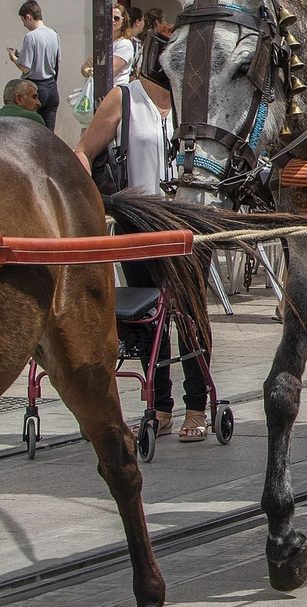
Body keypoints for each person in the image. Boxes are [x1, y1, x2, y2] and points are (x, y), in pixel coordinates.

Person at [73, 60, 209, 442]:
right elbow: (83, 151)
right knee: (149, 317)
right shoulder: (124, 98)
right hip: (139, 224)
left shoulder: (196, 100)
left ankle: (197, 407)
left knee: (191, 315)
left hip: (190, 224)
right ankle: (160, 405)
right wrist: (89, 205)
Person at [9, 0, 60, 130]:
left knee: (30, 133)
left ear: (28, 16)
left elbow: (25, 68)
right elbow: (57, 63)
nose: (24, 25)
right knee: (49, 136)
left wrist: (14, 58)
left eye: (23, 21)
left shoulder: (31, 36)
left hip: (35, 88)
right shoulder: (54, 34)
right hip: (52, 88)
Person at [82, 4, 135, 86]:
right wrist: (87, 70)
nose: (112, 20)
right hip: (98, 91)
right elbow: (85, 66)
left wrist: (94, 70)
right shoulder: (102, 42)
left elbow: (110, 71)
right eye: (109, 17)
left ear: (123, 22)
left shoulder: (124, 44)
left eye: (116, 18)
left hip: (115, 92)